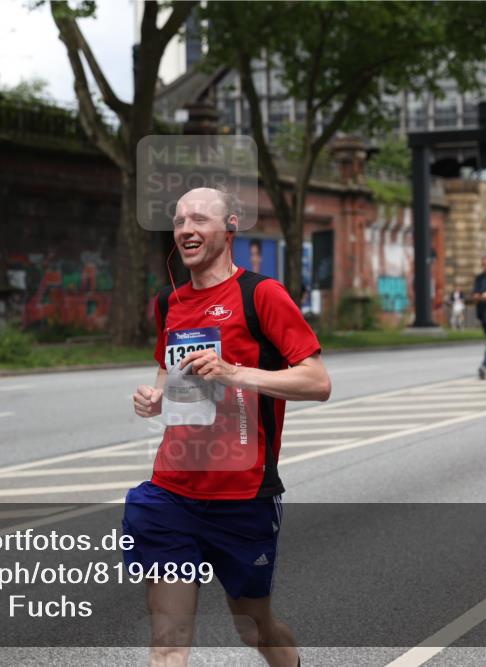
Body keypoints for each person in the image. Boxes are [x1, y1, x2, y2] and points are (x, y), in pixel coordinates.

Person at [127, 187, 331, 667]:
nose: (186, 230)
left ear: (230, 226)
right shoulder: (168, 302)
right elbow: (168, 370)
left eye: (199, 219)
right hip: (172, 491)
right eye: (179, 221)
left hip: (243, 495)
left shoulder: (261, 295)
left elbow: (317, 381)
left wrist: (235, 372)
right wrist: (155, 396)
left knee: (254, 627)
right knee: (168, 644)